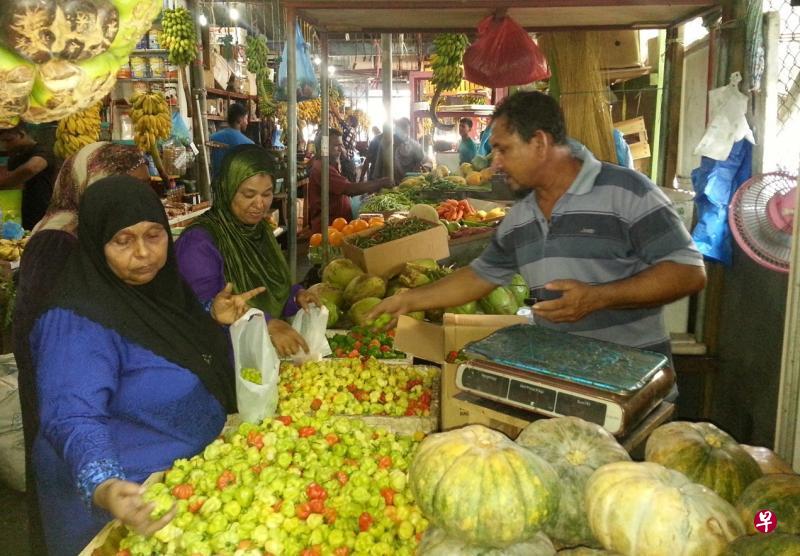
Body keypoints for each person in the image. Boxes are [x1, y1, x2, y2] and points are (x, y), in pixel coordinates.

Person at [369, 91, 706, 364]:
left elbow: (689, 272)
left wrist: (600, 297)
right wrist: (411, 300)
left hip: (632, 381)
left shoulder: (627, 190)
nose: (496, 162)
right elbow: (479, 276)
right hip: (559, 375)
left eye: (503, 149)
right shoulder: (522, 217)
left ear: (540, 143)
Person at [29, 177, 264, 555]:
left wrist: (208, 317)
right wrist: (105, 483)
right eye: (123, 240)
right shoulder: (77, 320)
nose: (144, 253)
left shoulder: (159, 290)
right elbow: (72, 414)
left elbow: (162, 341)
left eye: (154, 236)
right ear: (95, 242)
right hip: (123, 504)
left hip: (177, 487)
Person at [12, 142, 148, 556]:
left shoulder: (93, 234)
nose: (136, 204)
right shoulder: (57, 243)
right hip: (66, 394)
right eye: (125, 189)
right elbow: (51, 337)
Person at [176, 144, 319, 357]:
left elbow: (271, 287)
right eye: (249, 194)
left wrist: (296, 296)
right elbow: (200, 311)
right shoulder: (199, 243)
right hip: (223, 363)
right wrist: (266, 324)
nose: (260, 204)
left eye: (267, 194)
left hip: (264, 359)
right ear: (227, 189)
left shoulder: (260, 231)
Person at [308, 129, 390, 234]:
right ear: (324, 147)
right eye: (336, 146)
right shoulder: (322, 168)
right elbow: (349, 189)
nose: (341, 150)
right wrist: (380, 183)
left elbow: (349, 183)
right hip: (329, 229)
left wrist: (344, 161)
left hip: (339, 225)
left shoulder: (331, 164)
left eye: (341, 145)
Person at [0, 124, 57, 230]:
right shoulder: (15, 157)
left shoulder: (42, 150)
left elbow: (33, 167)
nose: (6, 145)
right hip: (20, 213)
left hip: (43, 211)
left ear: (22, 134)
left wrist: (4, 183)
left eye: (9, 140)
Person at [209, 102, 254, 179]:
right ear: (240, 120)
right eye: (246, 119)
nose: (247, 122)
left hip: (217, 185)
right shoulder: (249, 144)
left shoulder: (213, 137)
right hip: (236, 186)